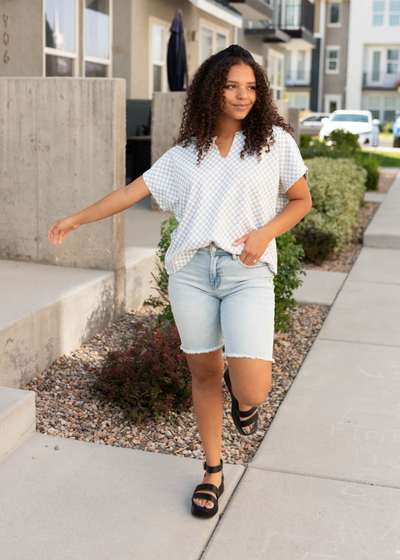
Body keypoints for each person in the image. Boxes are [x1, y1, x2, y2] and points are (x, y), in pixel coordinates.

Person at [47, 44, 312, 519]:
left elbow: (300, 200)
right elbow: (131, 192)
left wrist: (264, 233)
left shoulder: (275, 142)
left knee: (252, 388)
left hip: (246, 271)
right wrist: (77, 218)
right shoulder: (187, 153)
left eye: (251, 87)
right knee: (204, 373)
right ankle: (212, 470)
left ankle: (243, 400)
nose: (242, 95)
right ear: (213, 90)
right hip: (191, 272)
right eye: (231, 85)